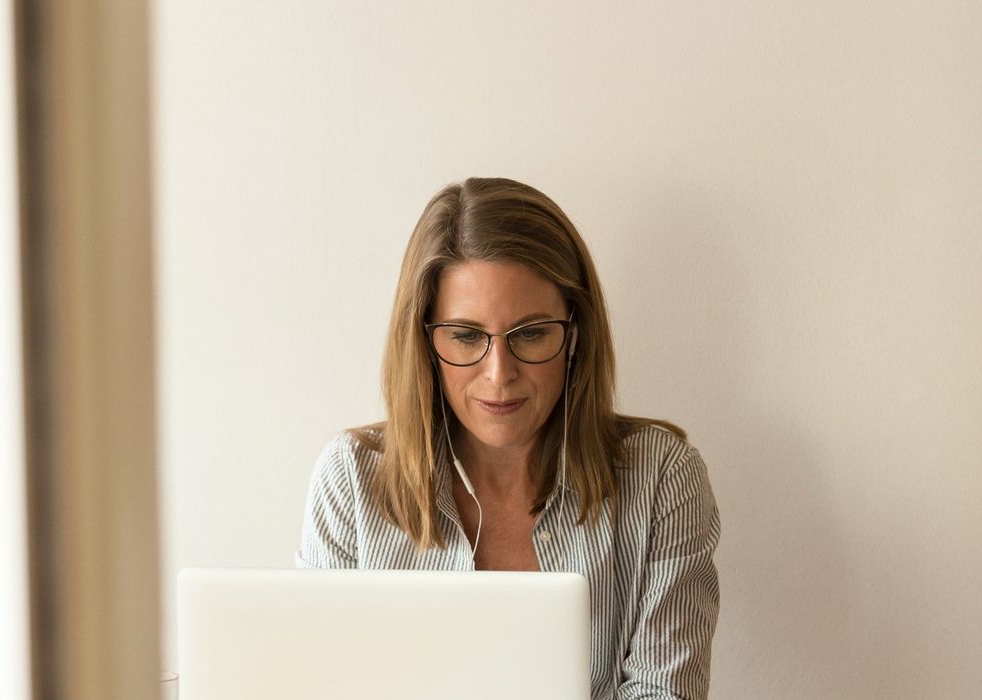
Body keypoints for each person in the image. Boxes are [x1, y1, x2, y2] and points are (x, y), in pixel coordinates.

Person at [295, 177, 721, 699]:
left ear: (576, 333)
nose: (499, 374)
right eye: (466, 335)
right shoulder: (351, 480)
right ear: (424, 340)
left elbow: (666, 691)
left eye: (531, 334)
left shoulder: (660, 477)